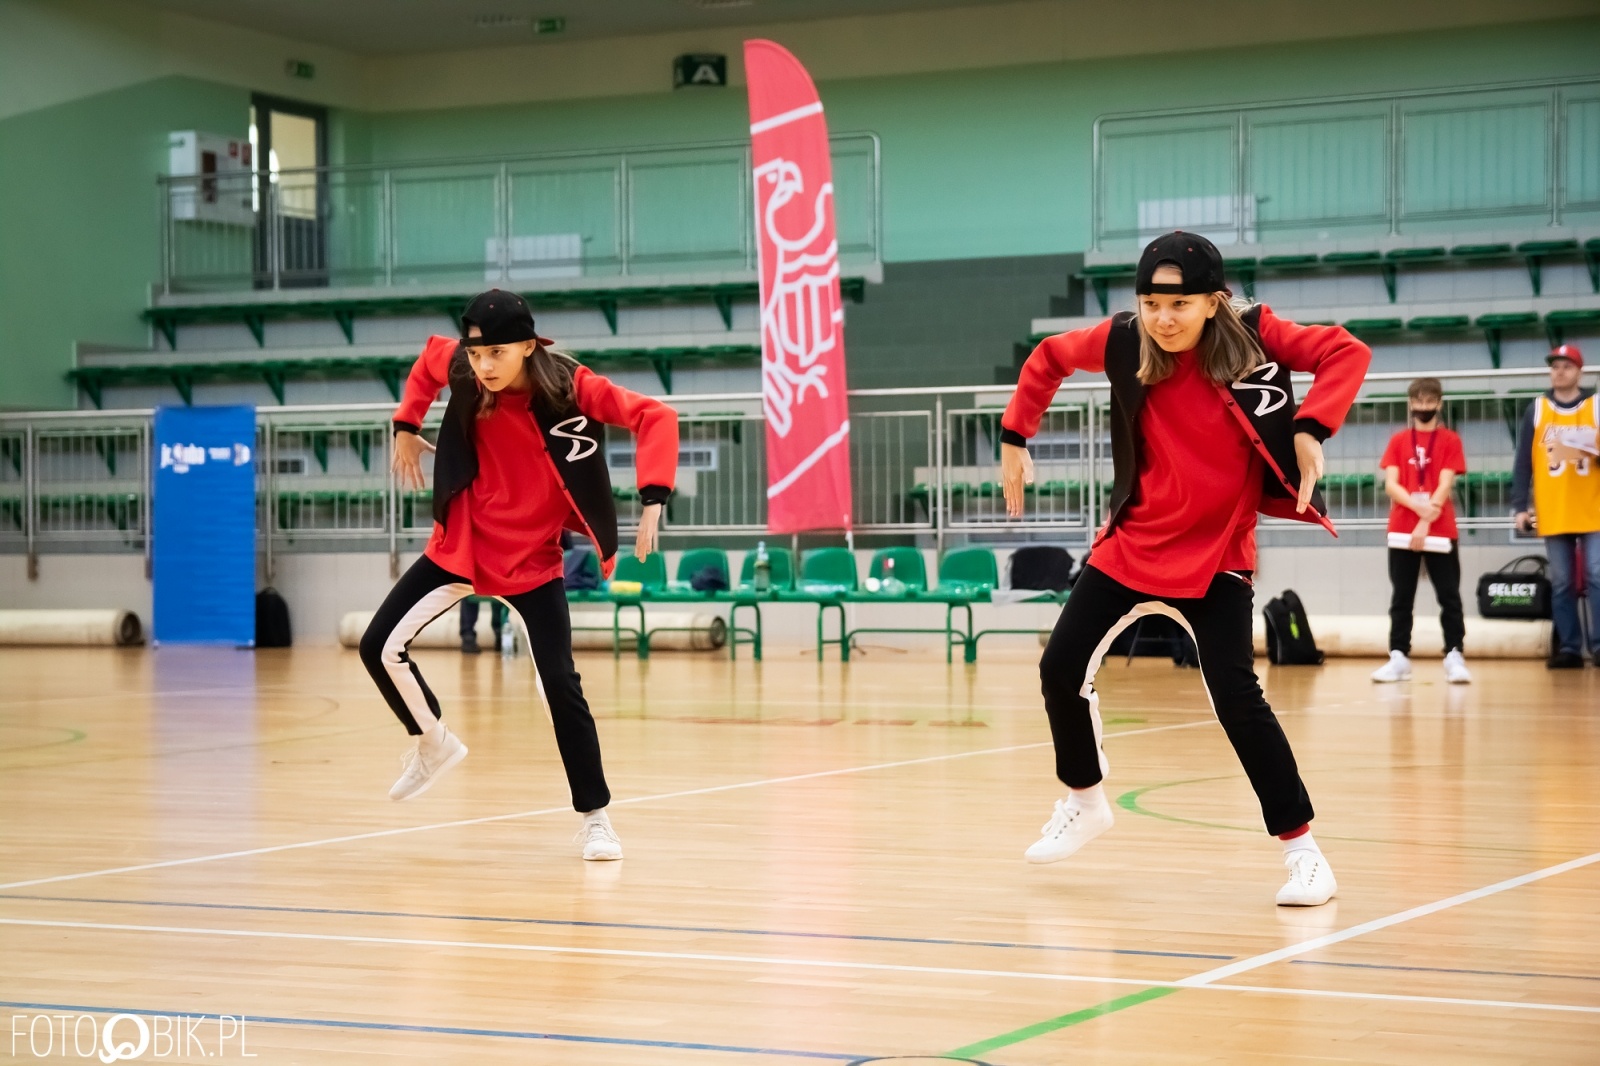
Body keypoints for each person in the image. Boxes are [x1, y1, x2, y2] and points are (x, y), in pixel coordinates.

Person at [999, 231, 1369, 907]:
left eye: (1178, 303)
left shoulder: (1256, 337)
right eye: (1150, 302)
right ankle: (1084, 799)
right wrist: (1015, 435)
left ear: (1213, 302)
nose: (1163, 317)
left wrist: (1312, 425)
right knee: (1059, 666)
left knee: (1236, 699)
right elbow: (1048, 358)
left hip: (1217, 548)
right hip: (1133, 540)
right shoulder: (1123, 343)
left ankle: (1304, 853)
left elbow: (1346, 350)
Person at [358, 289, 678, 860]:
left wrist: (653, 497)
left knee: (560, 685)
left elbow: (654, 416)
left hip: (532, 562)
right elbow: (428, 361)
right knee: (378, 645)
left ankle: (596, 818)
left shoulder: (572, 388)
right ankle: (432, 742)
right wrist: (405, 423)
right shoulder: (464, 367)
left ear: (529, 347)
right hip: (461, 548)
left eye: (497, 354)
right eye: (477, 355)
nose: (483, 367)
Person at [1371, 378, 1471, 684]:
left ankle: (1454, 653)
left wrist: (1426, 521)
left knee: (1449, 595)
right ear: (1410, 404)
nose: (1424, 408)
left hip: (1439, 527)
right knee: (1402, 595)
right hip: (1403, 526)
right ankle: (1399, 655)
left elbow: (1445, 483)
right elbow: (1391, 484)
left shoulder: (1450, 440)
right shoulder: (1399, 440)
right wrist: (1418, 512)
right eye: (1419, 402)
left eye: (1430, 402)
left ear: (1439, 404)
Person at [1511, 343, 1600, 668]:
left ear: (1579, 371)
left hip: (1593, 506)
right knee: (1561, 581)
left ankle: (1599, 644)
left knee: (1596, 575)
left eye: (1566, 366)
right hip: (1554, 505)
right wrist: (1520, 505)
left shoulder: (1595, 405)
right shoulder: (1537, 408)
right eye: (1554, 366)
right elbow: (1523, 462)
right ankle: (1570, 647)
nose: (1559, 371)